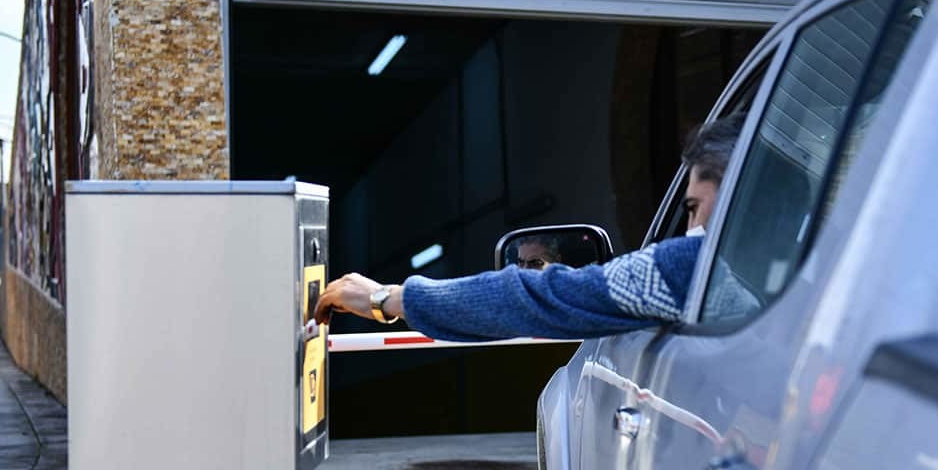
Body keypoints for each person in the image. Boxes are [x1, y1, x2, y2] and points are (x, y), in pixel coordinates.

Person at [315, 115, 749, 341]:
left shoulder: (692, 267)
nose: (690, 227)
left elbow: (535, 297)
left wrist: (383, 298)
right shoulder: (803, 271)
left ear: (740, 194)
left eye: (692, 207)